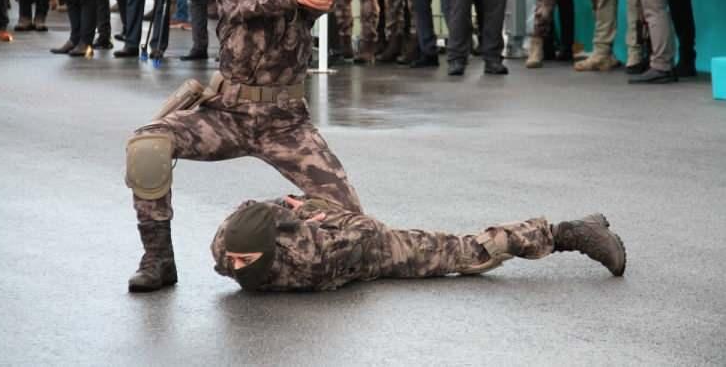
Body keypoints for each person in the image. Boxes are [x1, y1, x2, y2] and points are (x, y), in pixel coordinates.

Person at [124, 0, 360, 292]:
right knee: (148, 145)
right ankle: (158, 259)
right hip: (227, 115)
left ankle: (277, 226)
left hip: (286, 123)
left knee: (349, 218)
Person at [210, 195, 626, 292]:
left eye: (249, 258)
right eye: (234, 259)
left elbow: (368, 230)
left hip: (367, 251)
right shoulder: (224, 247)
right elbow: (252, 210)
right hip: (308, 225)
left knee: (472, 253)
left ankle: (569, 232)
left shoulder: (314, 256)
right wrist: (298, 213)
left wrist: (319, 216)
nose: (238, 265)